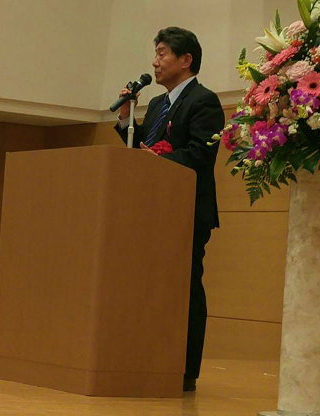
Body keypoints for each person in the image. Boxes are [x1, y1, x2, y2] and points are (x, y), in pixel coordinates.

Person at [114, 26, 225, 392]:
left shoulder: (204, 101)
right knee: (151, 288)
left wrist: (158, 160)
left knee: (184, 287)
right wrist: (126, 119)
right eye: (156, 53)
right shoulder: (159, 105)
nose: (155, 62)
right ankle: (150, 359)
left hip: (186, 212)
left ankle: (185, 370)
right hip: (153, 212)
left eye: (162, 53)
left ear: (186, 59)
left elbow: (199, 155)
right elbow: (142, 151)